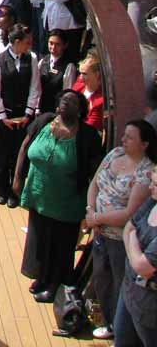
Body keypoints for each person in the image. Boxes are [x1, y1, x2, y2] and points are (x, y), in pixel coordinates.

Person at [13, 90, 104, 302]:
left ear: (80, 110)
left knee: (61, 246)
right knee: (40, 238)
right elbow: (25, 146)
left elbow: (95, 171)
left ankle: (55, 285)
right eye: (63, 99)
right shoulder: (44, 120)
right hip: (39, 194)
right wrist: (18, 177)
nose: (66, 103)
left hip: (66, 203)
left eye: (72, 102)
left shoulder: (87, 136)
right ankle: (42, 277)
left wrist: (92, 206)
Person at [85, 119, 157, 340]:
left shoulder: (145, 173)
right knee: (101, 277)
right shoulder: (115, 153)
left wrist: (96, 218)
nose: (123, 139)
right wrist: (90, 210)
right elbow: (95, 182)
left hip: (117, 239)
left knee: (118, 281)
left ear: (144, 144)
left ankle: (116, 327)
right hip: (99, 231)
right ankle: (108, 320)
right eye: (124, 134)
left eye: (130, 137)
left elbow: (129, 215)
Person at [0, 23, 40, 206]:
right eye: (27, 42)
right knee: (1, 153)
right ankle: (0, 187)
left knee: (18, 154)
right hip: (4, 116)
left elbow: (35, 87)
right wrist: (3, 116)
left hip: (22, 117)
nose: (29, 45)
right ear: (17, 42)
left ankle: (14, 189)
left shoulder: (31, 59)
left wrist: (28, 113)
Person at [112, 167, 157, 347]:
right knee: (121, 337)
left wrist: (132, 238)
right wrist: (134, 246)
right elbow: (129, 227)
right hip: (130, 290)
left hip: (150, 306)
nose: (151, 187)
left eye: (156, 184)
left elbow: (142, 266)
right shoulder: (152, 202)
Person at [38, 28, 77, 114]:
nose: (53, 47)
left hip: (57, 111)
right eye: (51, 43)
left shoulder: (69, 66)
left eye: (57, 44)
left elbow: (67, 92)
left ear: (65, 45)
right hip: (41, 110)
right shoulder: (42, 62)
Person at [73, 53, 105, 132]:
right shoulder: (79, 84)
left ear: (97, 74)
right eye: (80, 73)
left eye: (84, 74)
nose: (81, 76)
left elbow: (88, 127)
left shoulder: (100, 101)